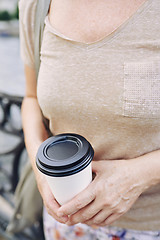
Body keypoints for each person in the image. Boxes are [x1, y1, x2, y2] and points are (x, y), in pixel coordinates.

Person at [19, 0, 160, 239]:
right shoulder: (37, 4)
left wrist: (139, 176)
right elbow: (31, 98)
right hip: (64, 224)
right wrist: (40, 169)